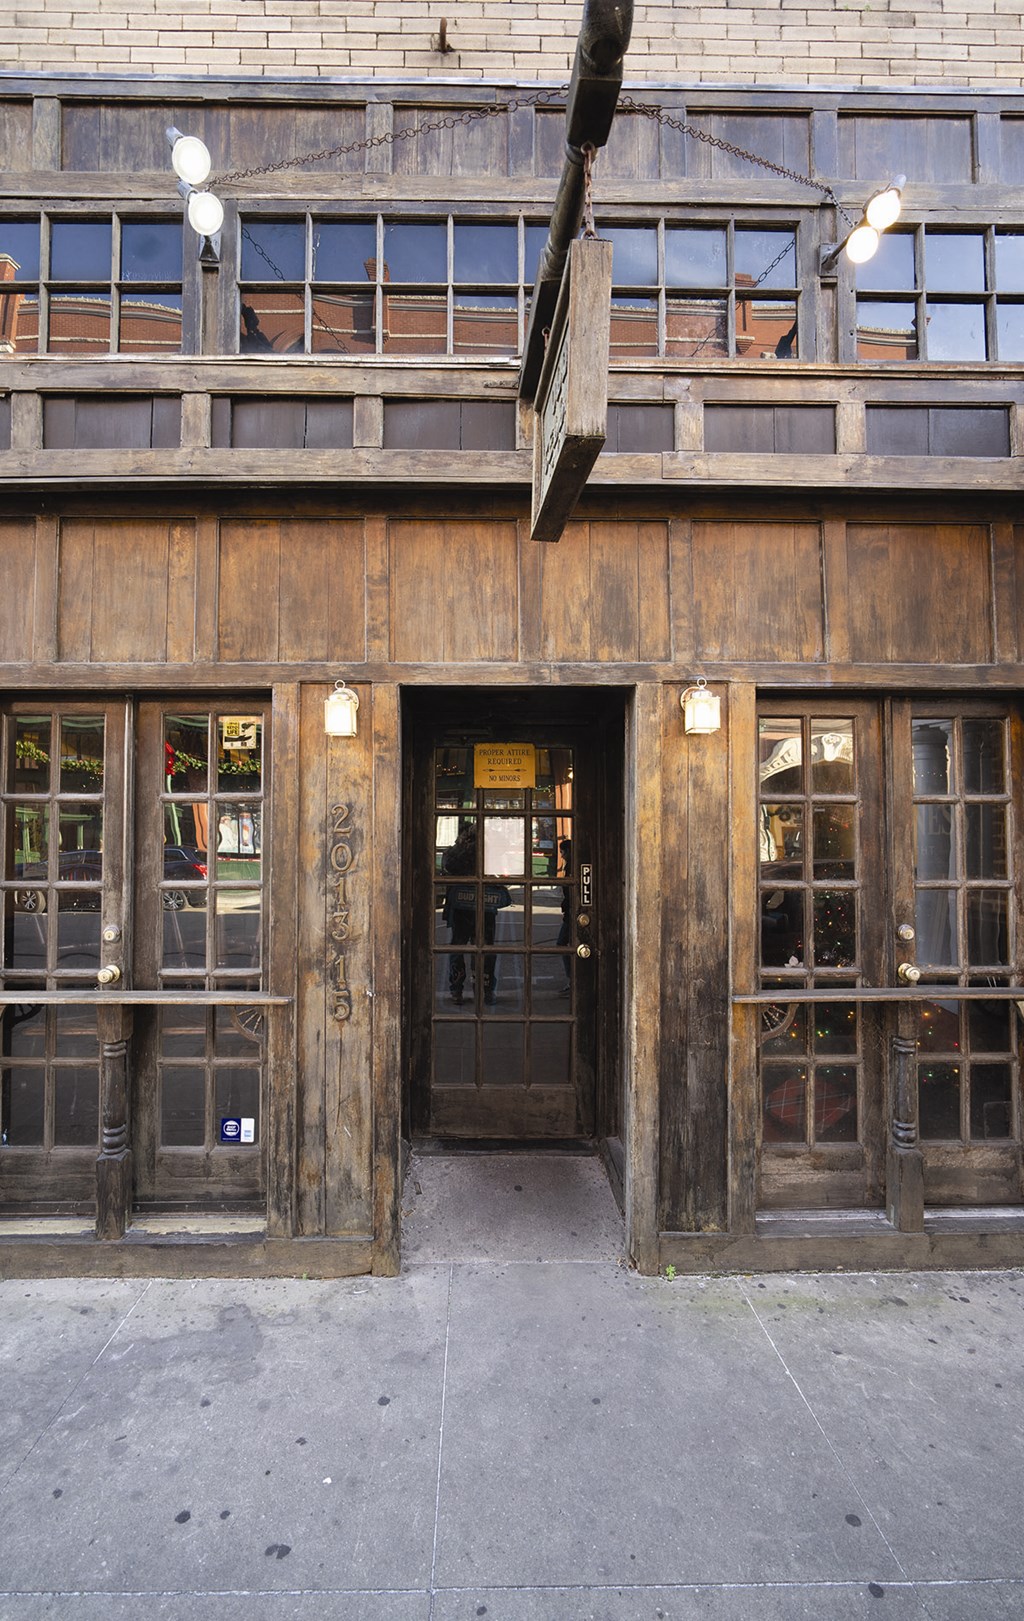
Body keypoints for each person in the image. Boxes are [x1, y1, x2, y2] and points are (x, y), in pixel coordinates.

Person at [441, 824, 498, 1005]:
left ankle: (456, 990)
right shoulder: (487, 853)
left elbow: (446, 871)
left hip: (460, 909)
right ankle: (484, 990)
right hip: (484, 906)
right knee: (484, 950)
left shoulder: (452, 853)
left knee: (458, 949)